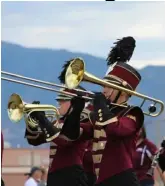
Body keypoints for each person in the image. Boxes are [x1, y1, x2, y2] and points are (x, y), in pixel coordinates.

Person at [62, 36, 145, 186]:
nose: (104, 89)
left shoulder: (133, 113)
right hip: (101, 181)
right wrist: (76, 111)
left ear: (123, 92)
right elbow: (72, 135)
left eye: (108, 86)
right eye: (103, 85)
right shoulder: (99, 114)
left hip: (123, 180)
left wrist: (100, 105)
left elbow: (115, 129)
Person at [24, 64, 93, 186]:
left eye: (63, 100)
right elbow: (34, 140)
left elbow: (65, 140)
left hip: (71, 175)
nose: (59, 103)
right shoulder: (58, 121)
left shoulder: (83, 119)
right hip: (55, 175)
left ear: (73, 102)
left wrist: (43, 120)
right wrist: (32, 119)